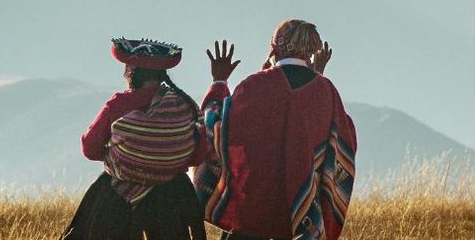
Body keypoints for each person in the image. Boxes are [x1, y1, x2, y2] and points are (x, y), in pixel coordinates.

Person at [194, 20, 357, 240]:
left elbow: (218, 128)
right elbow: (344, 136)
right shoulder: (325, 92)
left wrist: (219, 81)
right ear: (311, 49)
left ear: (275, 47)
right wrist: (318, 75)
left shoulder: (253, 86)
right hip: (302, 217)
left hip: (252, 211)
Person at [60, 37, 207, 240]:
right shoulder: (184, 104)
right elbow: (198, 155)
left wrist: (124, 156)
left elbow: (90, 148)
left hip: (118, 195)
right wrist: (162, 158)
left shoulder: (119, 104)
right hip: (172, 196)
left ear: (131, 72)